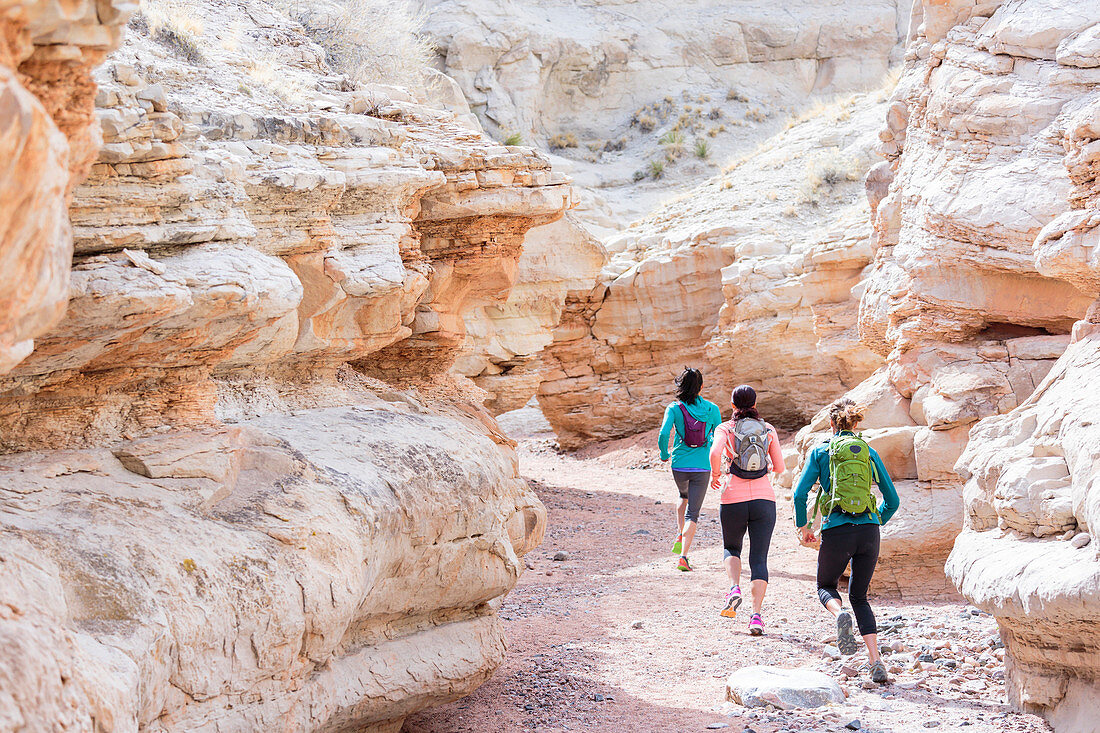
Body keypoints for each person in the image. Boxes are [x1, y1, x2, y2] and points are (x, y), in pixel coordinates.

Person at [793, 397, 900, 684]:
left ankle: (840, 615)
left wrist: (803, 527)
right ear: (856, 423)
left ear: (831, 423)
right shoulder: (869, 452)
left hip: (837, 530)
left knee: (826, 585)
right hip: (868, 531)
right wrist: (876, 518)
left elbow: (799, 494)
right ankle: (876, 661)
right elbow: (892, 500)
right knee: (860, 596)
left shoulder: (821, 452)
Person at [709, 384, 783, 635]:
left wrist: (716, 473)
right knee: (759, 558)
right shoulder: (768, 429)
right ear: (755, 403)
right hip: (764, 498)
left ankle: (733, 588)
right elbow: (780, 467)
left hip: (732, 496)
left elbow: (715, 451)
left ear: (732, 405)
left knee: (732, 547)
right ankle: (756, 617)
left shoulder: (725, 428)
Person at [658, 367, 722, 572]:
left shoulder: (674, 408)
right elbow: (719, 440)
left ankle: (680, 532)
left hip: (679, 464)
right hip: (702, 466)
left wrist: (664, 454)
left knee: (682, 496)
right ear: (701, 386)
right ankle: (683, 557)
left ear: (681, 386)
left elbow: (663, 434)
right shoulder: (712, 409)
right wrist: (717, 470)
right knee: (692, 513)